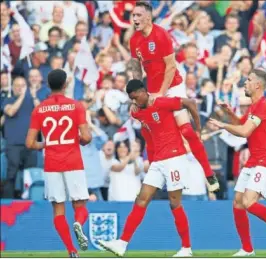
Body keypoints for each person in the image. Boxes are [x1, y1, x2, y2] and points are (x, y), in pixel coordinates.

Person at [98, 79, 203, 257]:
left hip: (175, 158)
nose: (133, 102)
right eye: (131, 99)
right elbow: (139, 119)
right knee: (141, 198)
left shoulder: (161, 102)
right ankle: (122, 243)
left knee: (174, 203)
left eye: (134, 98)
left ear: (141, 92)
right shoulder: (138, 112)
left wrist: (197, 131)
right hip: (158, 161)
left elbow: (190, 103)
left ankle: (186, 248)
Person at [128, 1, 219, 192]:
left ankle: (209, 173)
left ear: (148, 17)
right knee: (149, 130)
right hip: (151, 90)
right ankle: (155, 175)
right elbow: (136, 68)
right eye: (133, 15)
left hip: (173, 86)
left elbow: (170, 67)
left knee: (186, 131)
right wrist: (136, 96)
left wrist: (160, 94)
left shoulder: (161, 35)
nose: (134, 19)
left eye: (138, 15)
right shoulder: (134, 40)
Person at [209, 69, 266, 256]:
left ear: (257, 85)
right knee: (238, 203)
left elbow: (244, 132)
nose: (245, 83)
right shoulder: (254, 107)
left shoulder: (263, 106)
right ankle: (247, 249)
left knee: (248, 202)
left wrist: (223, 125)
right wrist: (229, 112)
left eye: (248, 80)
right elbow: (242, 123)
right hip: (255, 159)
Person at [25, 69, 92, 258]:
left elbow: (29, 143)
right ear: (65, 85)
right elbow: (86, 136)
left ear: (48, 84)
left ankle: (71, 250)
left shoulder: (39, 109)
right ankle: (78, 223)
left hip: (52, 164)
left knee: (58, 209)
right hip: (73, 161)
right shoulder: (76, 106)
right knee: (80, 205)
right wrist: (79, 139)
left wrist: (45, 143)